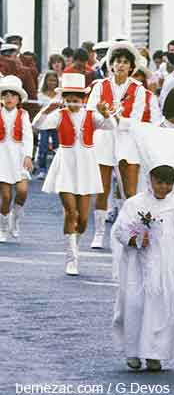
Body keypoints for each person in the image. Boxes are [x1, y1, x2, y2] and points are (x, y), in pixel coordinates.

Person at [113, 124, 174, 372]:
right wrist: (135, 240)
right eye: (159, 183)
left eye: (169, 184)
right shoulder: (135, 203)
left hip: (164, 266)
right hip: (138, 265)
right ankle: (134, 351)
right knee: (135, 305)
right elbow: (119, 231)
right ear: (150, 180)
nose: (163, 189)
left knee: (162, 307)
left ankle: (155, 354)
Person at [32, 73, 114, 276]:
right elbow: (37, 125)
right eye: (68, 98)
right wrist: (48, 108)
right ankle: (71, 257)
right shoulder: (59, 115)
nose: (73, 102)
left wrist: (105, 114)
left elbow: (111, 126)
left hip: (86, 165)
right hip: (66, 164)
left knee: (84, 219)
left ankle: (74, 244)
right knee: (71, 212)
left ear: (83, 99)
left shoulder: (91, 115)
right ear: (64, 98)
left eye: (76, 98)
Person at [86, 41, 145, 249]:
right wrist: (103, 116)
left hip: (128, 142)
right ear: (110, 65)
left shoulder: (138, 89)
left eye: (125, 62)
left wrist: (118, 120)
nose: (120, 66)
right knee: (101, 189)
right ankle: (99, 233)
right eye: (117, 62)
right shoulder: (100, 86)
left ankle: (126, 230)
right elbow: (91, 116)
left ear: (131, 67)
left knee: (129, 191)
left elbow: (135, 120)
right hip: (104, 139)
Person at [0, 76, 33, 242]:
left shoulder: (23, 115)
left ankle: (15, 219)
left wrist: (28, 156)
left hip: (19, 156)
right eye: (5, 95)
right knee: (5, 196)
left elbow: (28, 137)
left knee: (22, 191)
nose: (8, 98)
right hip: (2, 157)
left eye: (12, 95)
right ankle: (4, 226)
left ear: (18, 98)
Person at [36, 70, 60, 178]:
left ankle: (57, 170)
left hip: (57, 124)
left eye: (54, 80)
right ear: (45, 81)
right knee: (43, 148)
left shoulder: (60, 94)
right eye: (50, 80)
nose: (52, 83)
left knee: (57, 148)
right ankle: (42, 170)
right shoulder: (40, 95)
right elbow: (40, 110)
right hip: (44, 124)